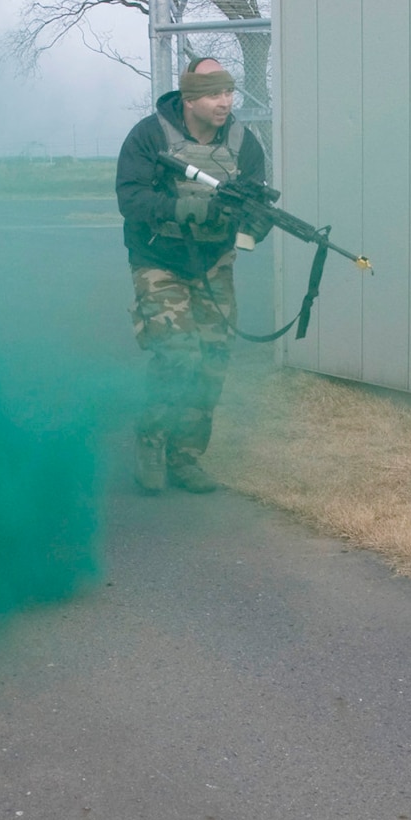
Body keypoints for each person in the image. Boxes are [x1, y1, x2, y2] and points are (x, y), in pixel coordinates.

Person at [115, 58, 271, 494]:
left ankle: (184, 458)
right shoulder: (149, 136)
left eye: (228, 92)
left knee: (212, 360)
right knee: (178, 353)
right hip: (158, 259)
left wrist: (252, 228)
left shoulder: (244, 143)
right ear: (189, 99)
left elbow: (257, 204)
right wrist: (188, 209)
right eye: (214, 94)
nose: (225, 102)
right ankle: (151, 442)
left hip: (214, 264)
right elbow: (132, 200)